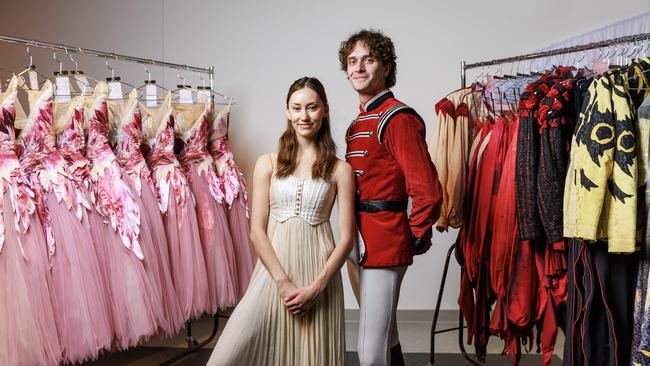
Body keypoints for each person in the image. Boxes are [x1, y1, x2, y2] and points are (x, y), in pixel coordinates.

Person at [206, 77, 355, 366]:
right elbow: (256, 232)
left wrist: (317, 287)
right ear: (287, 111)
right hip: (274, 273)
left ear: (325, 110)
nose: (304, 116)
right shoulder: (268, 164)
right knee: (225, 357)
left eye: (312, 107)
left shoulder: (341, 169)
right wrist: (283, 282)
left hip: (319, 277)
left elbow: (347, 237)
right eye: (297, 108)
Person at [339, 29, 443, 366]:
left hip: (384, 240)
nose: (359, 68)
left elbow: (426, 189)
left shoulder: (397, 118)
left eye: (368, 60)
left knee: (370, 351)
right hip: (357, 237)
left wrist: (412, 235)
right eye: (352, 61)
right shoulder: (358, 122)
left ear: (385, 67)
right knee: (388, 332)